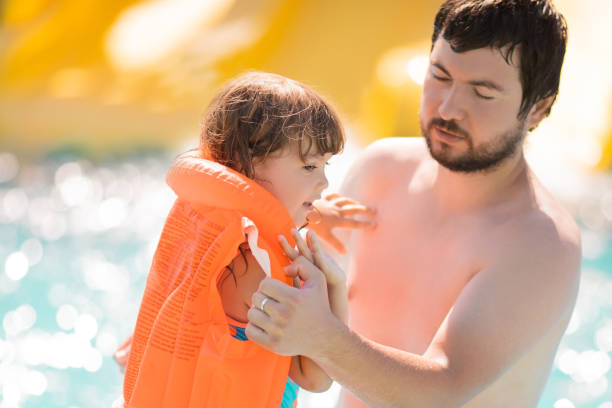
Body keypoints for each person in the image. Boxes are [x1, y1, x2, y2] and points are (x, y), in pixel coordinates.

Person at [246, 1, 582, 407]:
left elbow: (444, 390)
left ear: (539, 109)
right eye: (439, 76)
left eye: (482, 92)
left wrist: (321, 338)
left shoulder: (539, 244)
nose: (447, 108)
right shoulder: (380, 172)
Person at [115, 72, 362, 408]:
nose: (324, 183)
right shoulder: (265, 272)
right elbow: (316, 375)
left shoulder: (211, 231)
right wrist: (334, 285)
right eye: (308, 168)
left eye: (325, 166)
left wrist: (311, 215)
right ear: (250, 163)